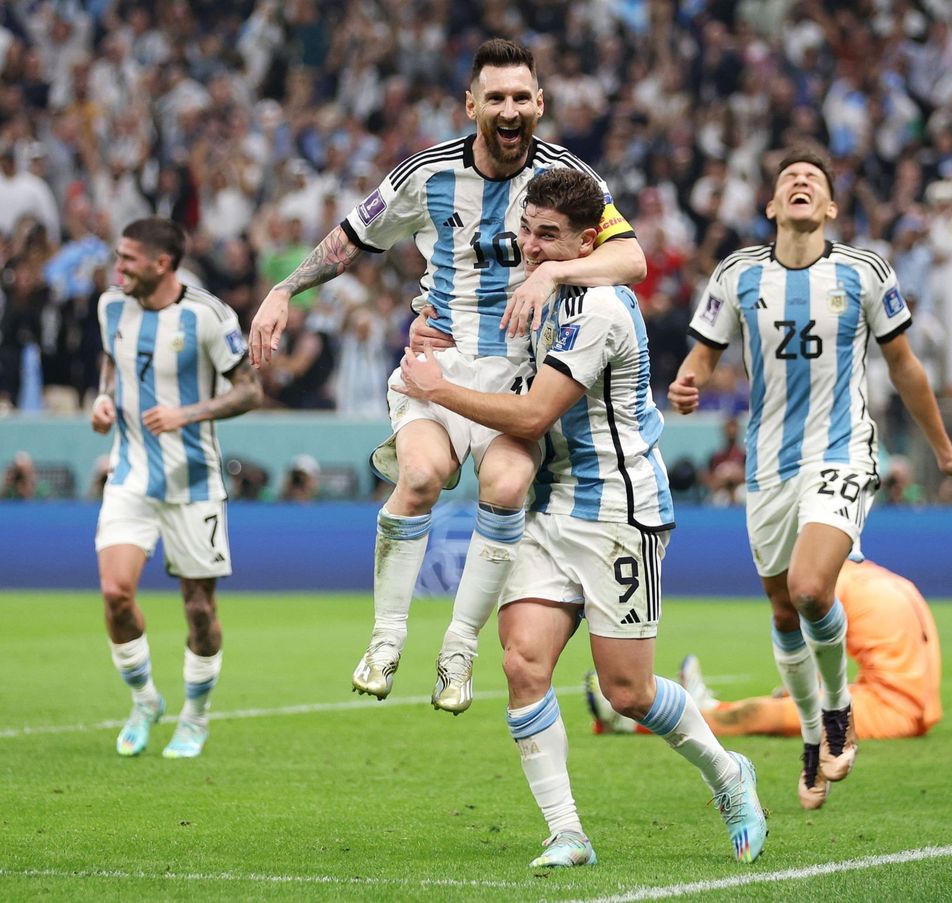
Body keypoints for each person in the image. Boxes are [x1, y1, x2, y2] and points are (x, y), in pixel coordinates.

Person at [247, 38, 645, 714]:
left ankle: (458, 650)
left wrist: (553, 269)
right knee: (423, 476)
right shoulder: (424, 175)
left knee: (508, 481)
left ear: (541, 104)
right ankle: (385, 640)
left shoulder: (566, 177)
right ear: (472, 105)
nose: (511, 109)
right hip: (439, 358)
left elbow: (631, 257)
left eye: (523, 97)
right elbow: (350, 237)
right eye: (497, 98)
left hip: (517, 375)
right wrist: (286, 287)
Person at [396, 168, 766, 867]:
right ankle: (567, 830)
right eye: (527, 232)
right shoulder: (532, 286)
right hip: (545, 506)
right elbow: (471, 324)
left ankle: (728, 772)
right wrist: (433, 328)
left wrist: (437, 387)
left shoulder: (600, 309)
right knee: (522, 661)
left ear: (589, 241)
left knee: (627, 690)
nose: (531, 249)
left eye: (550, 237)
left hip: (618, 512)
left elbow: (535, 412)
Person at [668, 141, 952, 810]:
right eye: (788, 177)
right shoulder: (736, 275)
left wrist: (944, 451)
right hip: (767, 465)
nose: (800, 183)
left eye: (812, 177)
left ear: (831, 205)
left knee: (812, 587)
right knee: (783, 606)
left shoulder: (865, 271)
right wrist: (688, 381)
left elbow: (904, 366)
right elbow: (702, 352)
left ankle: (838, 707)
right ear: (771, 204)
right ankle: (815, 733)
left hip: (842, 450)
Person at [91, 217, 263, 759]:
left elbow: (249, 391)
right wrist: (103, 398)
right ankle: (145, 700)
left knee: (198, 612)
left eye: (127, 260)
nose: (117, 269)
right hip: (130, 477)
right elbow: (111, 360)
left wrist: (187, 413)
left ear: (161, 264)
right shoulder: (110, 306)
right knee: (116, 595)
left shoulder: (209, 315)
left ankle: (196, 715)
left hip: (193, 482)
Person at [584, 556, 943, 800]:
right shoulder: (889, 581)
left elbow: (819, 650)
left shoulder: (831, 584)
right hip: (915, 703)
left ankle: (635, 721)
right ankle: (707, 703)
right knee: (782, 703)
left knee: (757, 716)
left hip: (887, 709)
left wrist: (797, 693)